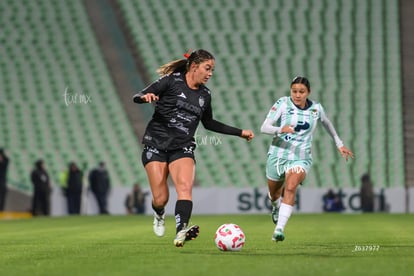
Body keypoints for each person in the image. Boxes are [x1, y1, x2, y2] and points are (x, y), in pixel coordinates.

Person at [132, 49, 254, 247]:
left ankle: (181, 231)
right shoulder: (171, 81)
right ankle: (159, 213)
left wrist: (240, 132)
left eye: (212, 70)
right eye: (208, 68)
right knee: (161, 198)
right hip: (156, 143)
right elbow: (138, 95)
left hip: (182, 147)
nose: (210, 73)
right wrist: (144, 98)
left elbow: (209, 123)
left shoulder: (205, 95)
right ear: (194, 66)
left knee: (185, 187)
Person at [260, 76, 353, 242]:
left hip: (300, 157)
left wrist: (340, 144)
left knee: (291, 186)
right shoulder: (282, 103)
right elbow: (264, 127)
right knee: (274, 195)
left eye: (301, 92)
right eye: (294, 91)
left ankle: (279, 229)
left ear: (308, 92)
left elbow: (327, 124)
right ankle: (275, 208)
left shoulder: (316, 108)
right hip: (277, 155)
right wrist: (281, 129)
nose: (297, 95)